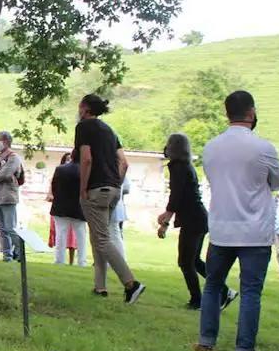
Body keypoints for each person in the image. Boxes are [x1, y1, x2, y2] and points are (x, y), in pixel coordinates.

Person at [194, 90, 279, 351]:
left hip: (221, 228)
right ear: (252, 112)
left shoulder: (211, 147)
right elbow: (277, 183)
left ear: (226, 113)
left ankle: (206, 341)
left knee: (211, 286)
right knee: (250, 292)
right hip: (255, 230)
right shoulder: (264, 148)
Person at [75, 93, 146, 303]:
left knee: (102, 239)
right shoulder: (110, 131)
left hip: (95, 190)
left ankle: (131, 284)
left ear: (85, 108)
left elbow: (86, 159)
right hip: (114, 190)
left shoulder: (84, 128)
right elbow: (124, 163)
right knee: (98, 236)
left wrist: (83, 188)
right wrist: (116, 183)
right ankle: (100, 287)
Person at [156, 133, 228, 310]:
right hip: (199, 218)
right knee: (194, 261)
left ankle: (197, 299)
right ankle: (224, 291)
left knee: (185, 262)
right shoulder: (186, 166)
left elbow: (176, 195)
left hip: (193, 219)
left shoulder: (177, 167)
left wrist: (166, 219)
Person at [0, 131, 23, 262]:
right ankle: (7, 255)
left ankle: (20, 253)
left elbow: (6, 173)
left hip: (7, 197)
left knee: (10, 228)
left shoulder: (13, 157)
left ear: (6, 141)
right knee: (2, 229)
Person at [49, 152, 87, 268]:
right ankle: (81, 262)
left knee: (61, 234)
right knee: (81, 236)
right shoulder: (85, 171)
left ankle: (59, 260)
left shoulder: (60, 169)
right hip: (79, 207)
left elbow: (54, 186)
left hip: (61, 206)